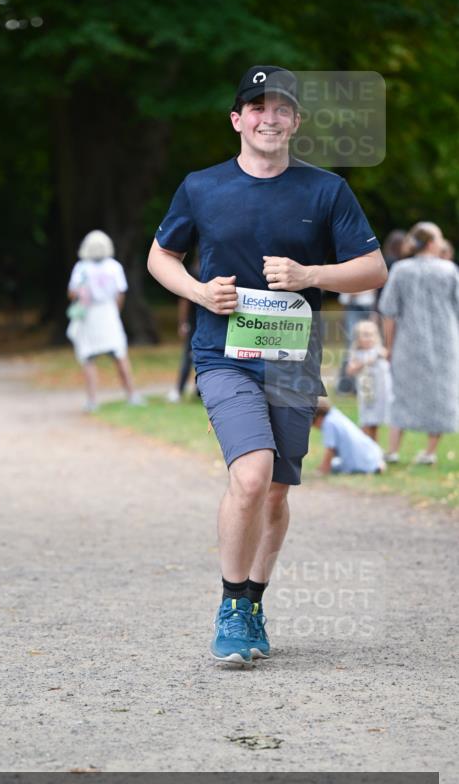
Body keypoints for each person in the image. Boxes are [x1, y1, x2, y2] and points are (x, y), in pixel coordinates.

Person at [147, 65, 387, 667]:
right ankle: (231, 606)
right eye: (257, 108)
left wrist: (312, 276)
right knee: (250, 476)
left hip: (291, 360)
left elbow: (374, 269)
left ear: (296, 122)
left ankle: (254, 599)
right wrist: (200, 293)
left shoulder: (326, 189)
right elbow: (160, 257)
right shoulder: (201, 187)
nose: (269, 117)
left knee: (276, 494)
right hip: (223, 355)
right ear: (238, 120)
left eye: (281, 109)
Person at [379, 221, 459, 465]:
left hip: (407, 341)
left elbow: (389, 312)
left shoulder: (401, 269)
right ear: (433, 243)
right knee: (441, 393)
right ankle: (430, 451)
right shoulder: (449, 270)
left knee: (401, 392)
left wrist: (389, 346)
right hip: (446, 341)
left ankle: (392, 450)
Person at [66, 230, 144, 412]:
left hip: (90, 314)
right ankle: (132, 394)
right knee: (119, 354)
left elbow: (72, 293)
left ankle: (92, 400)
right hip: (109, 312)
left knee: (87, 357)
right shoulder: (114, 267)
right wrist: (115, 311)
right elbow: (120, 293)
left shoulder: (81, 267)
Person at [345, 320, 392, 441]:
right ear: (358, 337)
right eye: (365, 335)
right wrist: (365, 362)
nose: (369, 338)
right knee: (366, 422)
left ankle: (373, 448)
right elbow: (350, 370)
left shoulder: (379, 351)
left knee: (375, 423)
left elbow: (387, 361)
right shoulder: (357, 353)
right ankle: (363, 447)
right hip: (366, 393)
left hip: (380, 393)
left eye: (371, 334)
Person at [313, 398, 385, 474]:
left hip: (357, 463)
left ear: (319, 418)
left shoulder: (328, 424)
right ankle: (376, 465)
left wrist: (323, 470)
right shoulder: (335, 414)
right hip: (373, 453)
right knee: (336, 462)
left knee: (335, 465)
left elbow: (330, 450)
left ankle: (369, 467)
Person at [167, 254, 199, 403]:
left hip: (196, 322)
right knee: (193, 356)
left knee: (190, 356)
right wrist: (184, 322)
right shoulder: (197, 272)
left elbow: (184, 301)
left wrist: (182, 322)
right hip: (198, 322)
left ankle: (182, 390)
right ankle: (185, 390)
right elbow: (185, 300)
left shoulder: (193, 271)